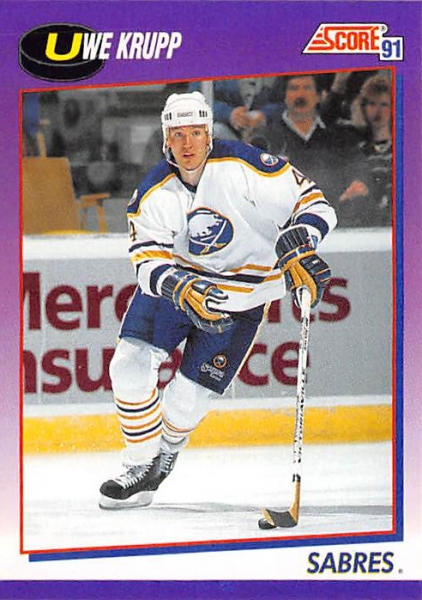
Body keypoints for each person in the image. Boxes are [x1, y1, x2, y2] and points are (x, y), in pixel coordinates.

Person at [99, 91, 337, 510]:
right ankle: (139, 464)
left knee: (187, 399)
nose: (187, 143)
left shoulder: (246, 166)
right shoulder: (154, 189)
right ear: (166, 139)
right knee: (128, 364)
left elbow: (314, 203)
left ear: (209, 135)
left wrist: (303, 238)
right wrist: (177, 286)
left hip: (242, 297)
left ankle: (164, 456)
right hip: (180, 285)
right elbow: (146, 258)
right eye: (177, 135)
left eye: (195, 133)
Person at [264, 73, 363, 211]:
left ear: (319, 96)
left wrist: (359, 181)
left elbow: (359, 166)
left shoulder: (339, 136)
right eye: (294, 88)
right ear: (285, 97)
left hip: (337, 216)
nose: (300, 95)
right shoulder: (267, 137)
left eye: (307, 88)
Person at [338, 74, 393, 227]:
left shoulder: (406, 149)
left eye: (384, 104)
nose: (378, 111)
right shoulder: (357, 149)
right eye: (372, 104)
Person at [189, 78, 283, 147]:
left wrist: (264, 114)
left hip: (269, 130)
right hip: (223, 128)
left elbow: (285, 99)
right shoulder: (206, 61)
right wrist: (229, 114)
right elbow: (195, 102)